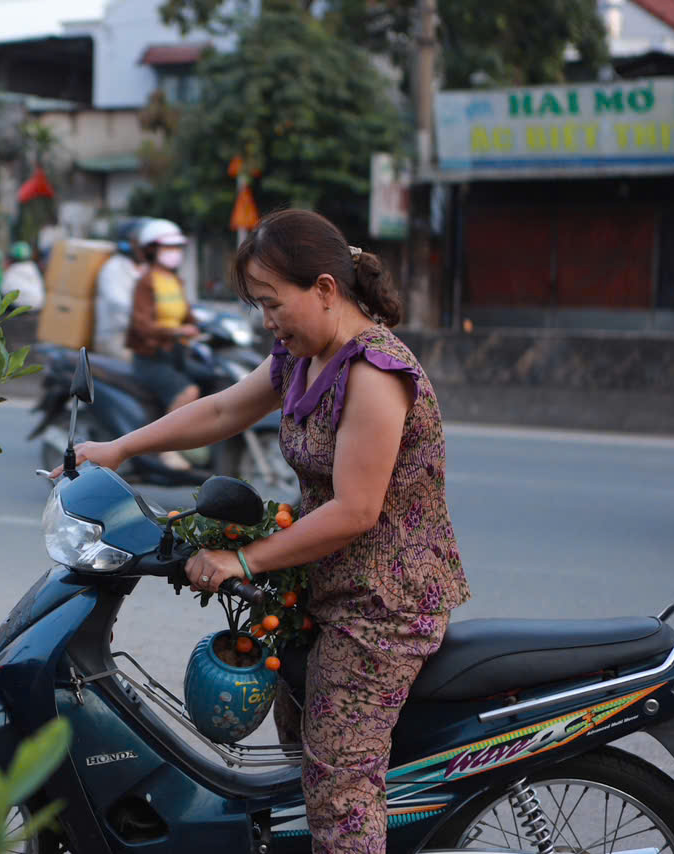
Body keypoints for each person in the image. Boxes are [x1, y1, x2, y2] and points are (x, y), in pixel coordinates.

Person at [63, 208, 470, 853]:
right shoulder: (302, 359)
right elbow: (224, 408)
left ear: (327, 290)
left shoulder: (375, 374)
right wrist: (118, 448)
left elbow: (356, 511)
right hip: (324, 586)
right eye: (259, 307)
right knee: (296, 764)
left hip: (382, 606)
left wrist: (244, 561)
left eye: (275, 304)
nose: (268, 322)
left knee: (338, 790)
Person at [125, 218, 199, 412]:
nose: (175, 252)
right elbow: (142, 325)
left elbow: (188, 316)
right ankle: (168, 441)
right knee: (188, 392)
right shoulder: (146, 282)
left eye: (177, 247)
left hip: (177, 355)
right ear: (151, 250)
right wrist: (176, 331)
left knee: (214, 378)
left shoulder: (175, 280)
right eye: (168, 248)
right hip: (151, 359)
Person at [91, 218, 147, 359]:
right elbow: (117, 302)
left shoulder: (146, 269)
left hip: (142, 334)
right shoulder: (113, 268)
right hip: (116, 337)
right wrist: (147, 316)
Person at [0, 240, 44, 309]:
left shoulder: (11, 270)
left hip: (18, 307)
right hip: (38, 305)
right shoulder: (33, 267)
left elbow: (3, 290)